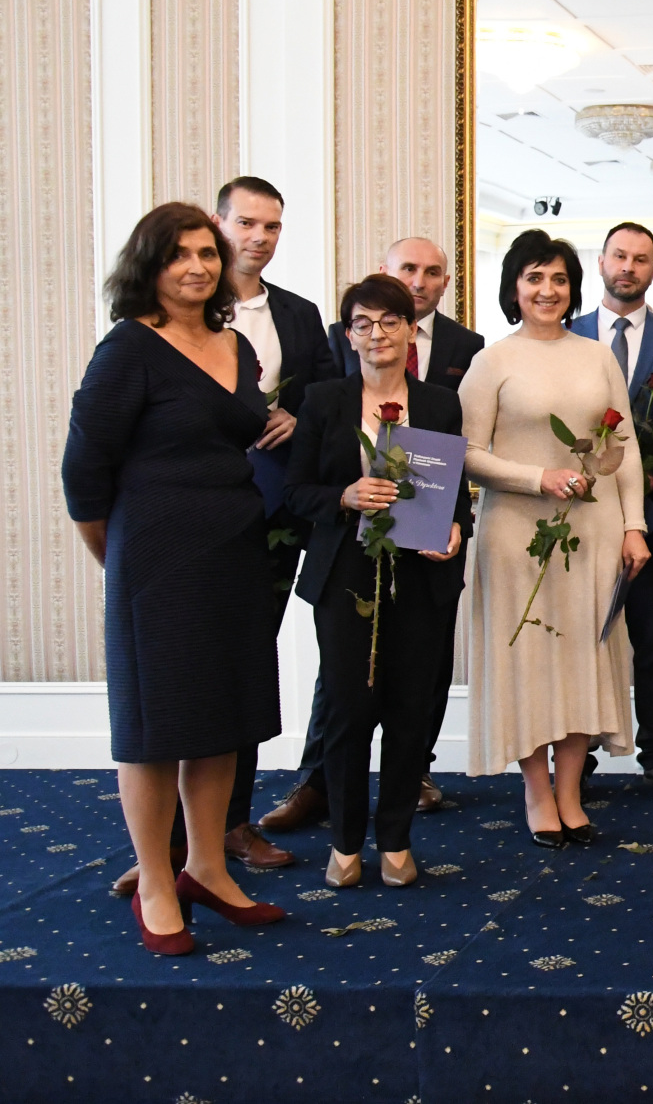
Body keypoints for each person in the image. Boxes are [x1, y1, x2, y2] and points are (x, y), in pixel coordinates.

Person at [63, 203, 286, 953]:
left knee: (220, 718)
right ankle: (157, 881)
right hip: (156, 560)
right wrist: (123, 558)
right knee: (155, 730)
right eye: (178, 254)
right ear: (149, 267)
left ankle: (207, 868)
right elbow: (83, 474)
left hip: (234, 551)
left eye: (207, 253)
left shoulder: (234, 343)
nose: (197, 266)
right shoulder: (128, 348)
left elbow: (244, 434)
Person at [266, 234, 486, 835]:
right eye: (363, 323)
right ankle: (344, 841)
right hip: (345, 572)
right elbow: (296, 491)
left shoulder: (439, 404)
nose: (378, 333)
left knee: (410, 710)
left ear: (412, 331)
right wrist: (343, 495)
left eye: (391, 322)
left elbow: (454, 489)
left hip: (422, 573)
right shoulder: (323, 402)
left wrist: (457, 532)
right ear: (348, 335)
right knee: (347, 709)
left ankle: (394, 839)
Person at [459, 230, 650, 847]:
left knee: (581, 660)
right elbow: (467, 454)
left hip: (593, 533)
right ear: (514, 287)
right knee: (531, 662)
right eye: (535, 278)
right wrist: (536, 477)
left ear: (574, 288)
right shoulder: (492, 360)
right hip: (516, 536)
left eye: (560, 279)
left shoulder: (597, 356)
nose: (548, 290)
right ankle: (537, 792)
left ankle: (571, 793)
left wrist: (634, 526)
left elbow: (624, 447)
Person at [211, 176, 339, 869]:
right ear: (218, 223)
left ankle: (233, 822)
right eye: (248, 223)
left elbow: (326, 397)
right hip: (194, 517)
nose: (260, 237)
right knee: (193, 671)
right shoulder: (183, 309)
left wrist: (300, 415)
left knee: (249, 666)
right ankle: (174, 838)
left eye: (273, 226)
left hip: (273, 515)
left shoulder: (298, 313)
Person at [568, 222, 653, 798]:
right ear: (600, 262)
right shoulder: (564, 335)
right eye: (619, 255)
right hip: (578, 519)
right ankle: (576, 757)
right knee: (578, 642)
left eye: (641, 259)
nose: (628, 267)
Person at [325, 236, 487, 387]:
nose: (419, 284)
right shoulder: (344, 335)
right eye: (409, 269)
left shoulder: (468, 343)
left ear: (445, 284)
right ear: (384, 274)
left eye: (432, 273)